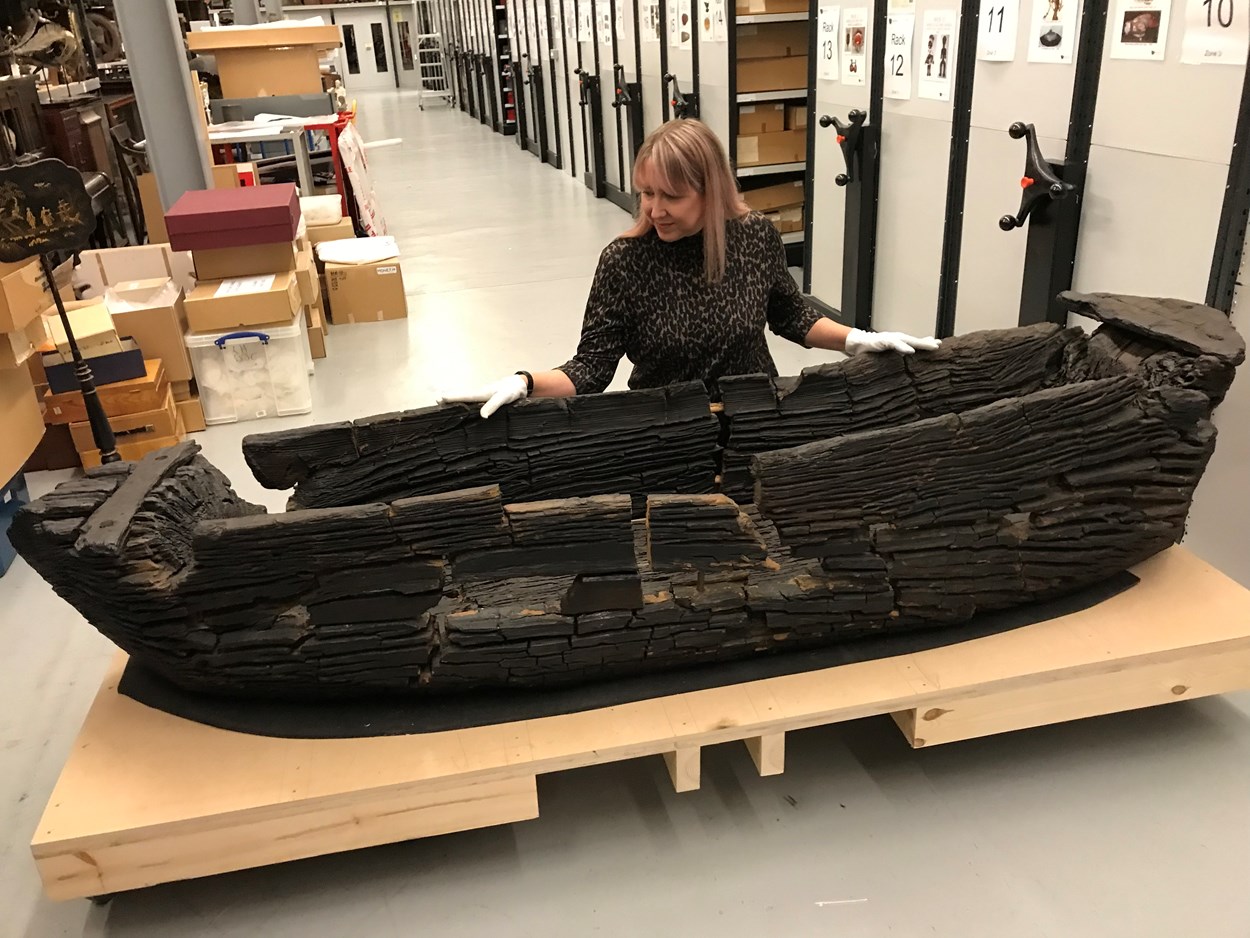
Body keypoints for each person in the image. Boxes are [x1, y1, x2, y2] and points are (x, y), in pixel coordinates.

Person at [442, 119, 939, 418]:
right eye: (646, 193)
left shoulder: (754, 237)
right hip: (666, 428)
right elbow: (591, 369)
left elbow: (790, 315)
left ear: (712, 190)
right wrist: (524, 382)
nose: (654, 210)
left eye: (671, 197)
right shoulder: (625, 261)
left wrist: (857, 339)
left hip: (755, 419)